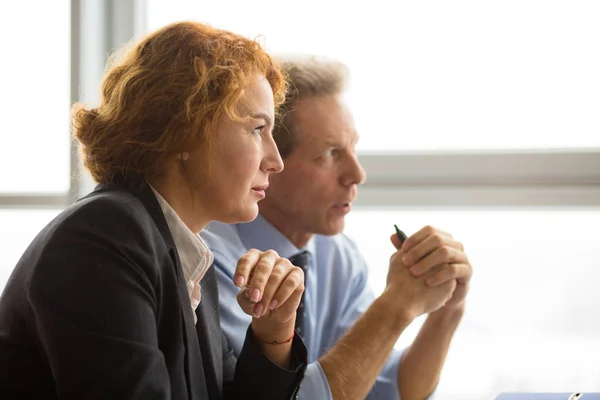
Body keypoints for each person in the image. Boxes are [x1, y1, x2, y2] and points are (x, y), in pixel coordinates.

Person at [0, 22, 309, 399]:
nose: (275, 160)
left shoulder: (185, 257)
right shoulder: (103, 237)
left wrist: (275, 329)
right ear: (184, 131)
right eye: (257, 129)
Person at [201, 55, 473, 400]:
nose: (357, 175)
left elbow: (389, 391)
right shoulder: (212, 261)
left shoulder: (339, 256)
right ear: (270, 163)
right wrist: (395, 307)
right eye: (330, 154)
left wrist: (448, 310)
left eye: (352, 148)